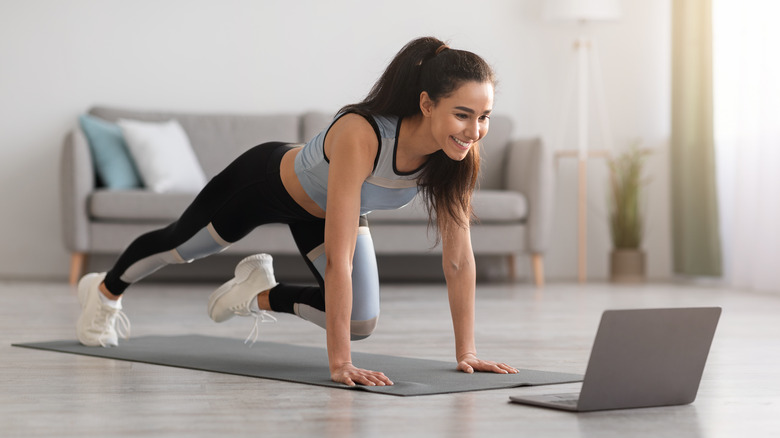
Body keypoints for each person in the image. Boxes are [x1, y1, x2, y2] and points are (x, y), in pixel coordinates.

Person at [75, 36, 519, 387]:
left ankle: (256, 292)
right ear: (427, 104)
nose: (475, 130)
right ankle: (104, 293)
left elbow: (459, 259)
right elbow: (341, 259)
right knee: (181, 247)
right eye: (463, 115)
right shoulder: (362, 134)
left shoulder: (456, 157)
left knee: (361, 321)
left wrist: (468, 352)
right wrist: (341, 363)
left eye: (485, 117)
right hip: (264, 184)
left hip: (327, 212)